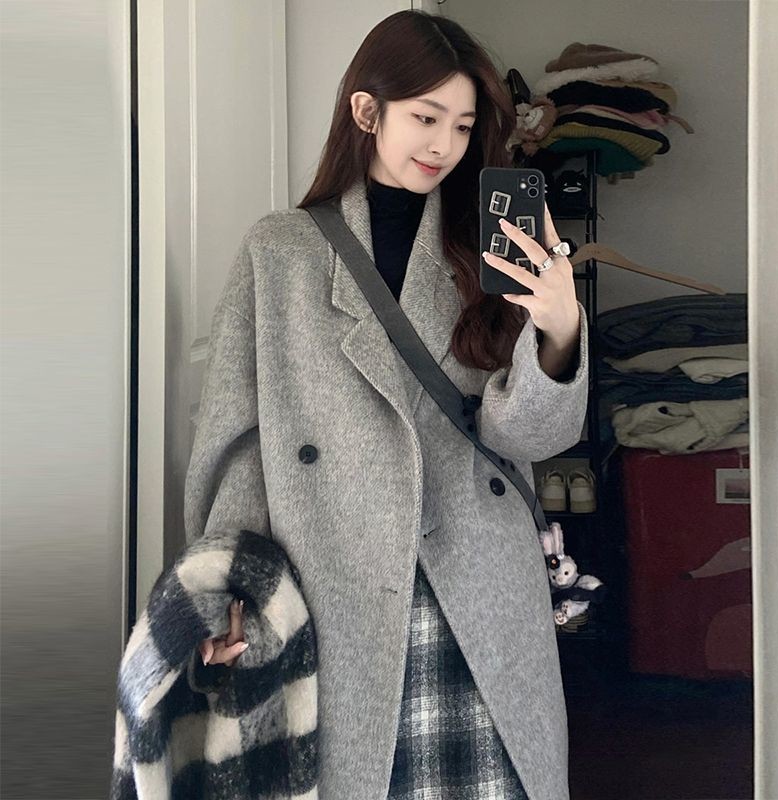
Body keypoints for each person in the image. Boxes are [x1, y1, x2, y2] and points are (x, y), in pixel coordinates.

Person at [188, 9, 588, 799]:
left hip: (478, 579)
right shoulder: (281, 251)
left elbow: (525, 437)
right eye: (426, 118)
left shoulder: (484, 247)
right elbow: (239, 442)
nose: (445, 145)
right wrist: (228, 588)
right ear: (367, 111)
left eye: (464, 126)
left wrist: (559, 330)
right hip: (337, 582)